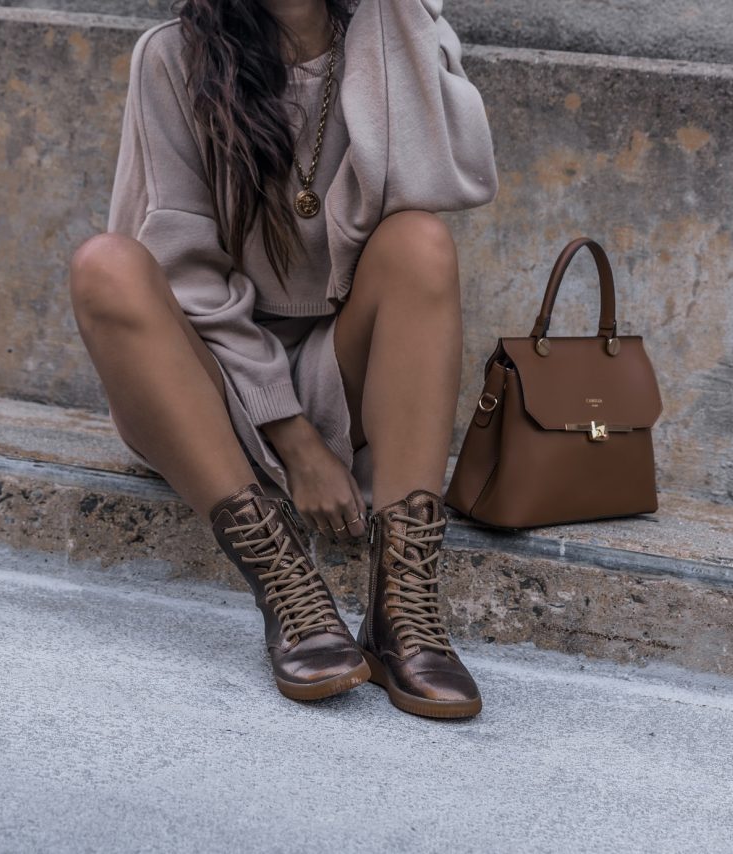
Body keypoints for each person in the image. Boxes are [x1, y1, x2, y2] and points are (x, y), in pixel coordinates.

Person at [67, 0, 499, 719]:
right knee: (105, 265)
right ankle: (285, 582)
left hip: (341, 368)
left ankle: (405, 608)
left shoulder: (386, 37)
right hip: (210, 386)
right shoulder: (173, 56)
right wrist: (294, 440)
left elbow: (455, 177)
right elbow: (185, 275)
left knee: (420, 240)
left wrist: (399, 23)